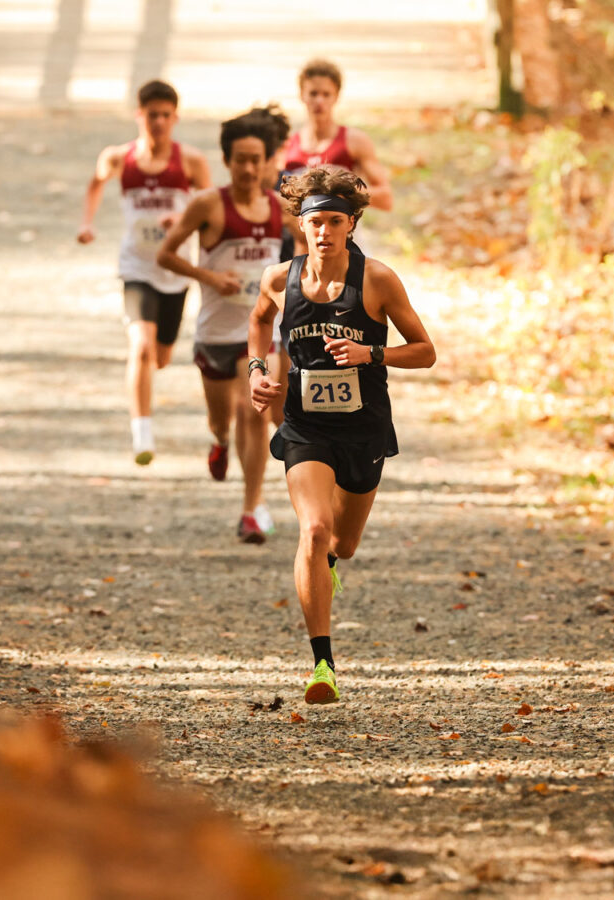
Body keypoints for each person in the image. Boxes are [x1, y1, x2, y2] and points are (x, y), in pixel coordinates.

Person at [247, 167, 436, 704]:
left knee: (342, 545)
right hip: (305, 426)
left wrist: (369, 352)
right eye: (315, 222)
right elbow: (258, 323)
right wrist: (257, 371)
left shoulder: (376, 280)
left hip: (364, 428)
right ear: (300, 225)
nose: (324, 231)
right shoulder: (279, 280)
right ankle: (323, 666)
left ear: (352, 224)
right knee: (314, 529)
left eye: (335, 221)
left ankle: (327, 566)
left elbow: (425, 352)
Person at [156, 109, 298, 543]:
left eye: (257, 160)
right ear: (227, 160)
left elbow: (309, 249)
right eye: (241, 160)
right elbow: (166, 255)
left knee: (251, 410)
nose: (249, 169)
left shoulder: (279, 208)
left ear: (267, 161)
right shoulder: (208, 205)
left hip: (260, 332)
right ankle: (218, 441)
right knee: (222, 419)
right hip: (215, 333)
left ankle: (252, 508)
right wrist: (211, 277)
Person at [77, 79, 212, 465]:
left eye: (166, 115)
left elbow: (211, 208)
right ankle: (142, 433)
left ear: (175, 118)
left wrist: (182, 219)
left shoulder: (191, 162)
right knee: (140, 347)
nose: (159, 122)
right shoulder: (118, 158)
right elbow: (95, 184)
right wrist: (87, 223)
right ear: (139, 115)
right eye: (152, 115)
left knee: (161, 357)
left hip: (175, 271)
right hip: (137, 267)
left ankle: (146, 388)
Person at [276, 59, 393, 261]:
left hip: (347, 246)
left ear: (336, 96)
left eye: (326, 94)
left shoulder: (354, 141)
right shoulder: (288, 147)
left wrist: (340, 192)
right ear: (302, 95)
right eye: (313, 93)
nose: (319, 101)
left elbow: (385, 198)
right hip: (303, 251)